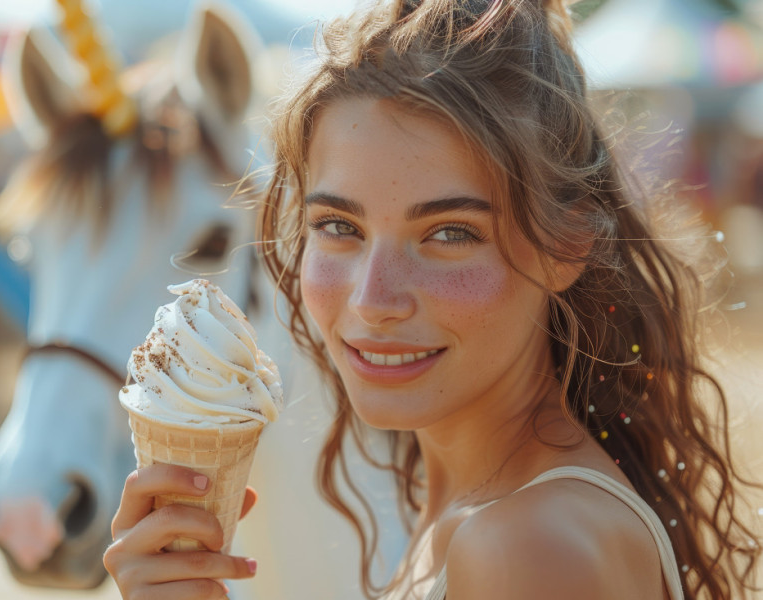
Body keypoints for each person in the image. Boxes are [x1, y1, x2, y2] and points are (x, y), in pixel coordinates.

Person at [102, 1, 761, 598]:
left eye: (450, 233)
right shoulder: (473, 507)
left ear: (566, 246)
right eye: (339, 226)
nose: (373, 299)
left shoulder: (524, 549)